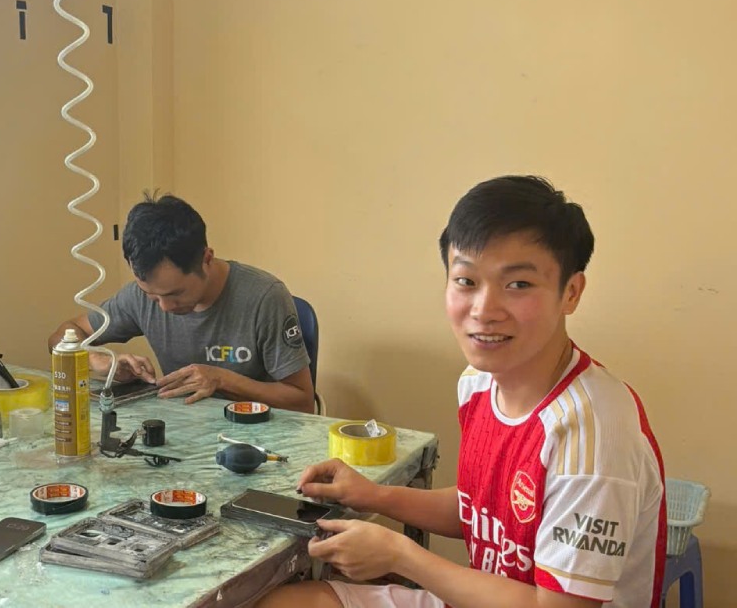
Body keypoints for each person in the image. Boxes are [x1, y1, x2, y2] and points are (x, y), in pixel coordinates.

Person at [258, 176, 666, 608]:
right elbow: (481, 511)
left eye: (519, 285)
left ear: (571, 292)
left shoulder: (595, 433)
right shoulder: (478, 382)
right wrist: (374, 496)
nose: (484, 311)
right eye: (466, 281)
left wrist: (401, 554)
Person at [49, 193, 314, 413]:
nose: (164, 307)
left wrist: (223, 380)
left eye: (175, 293)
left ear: (207, 259)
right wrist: (96, 361)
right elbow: (60, 337)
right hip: (183, 434)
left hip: (254, 441)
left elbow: (302, 402)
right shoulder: (138, 298)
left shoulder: (264, 297)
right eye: (153, 295)